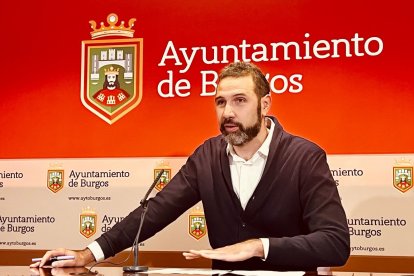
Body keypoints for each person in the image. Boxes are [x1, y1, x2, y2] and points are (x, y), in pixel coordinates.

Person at [31, 62, 350, 271]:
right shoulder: (207, 156)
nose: (228, 112)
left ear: (264, 104)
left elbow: (335, 244)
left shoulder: (305, 156)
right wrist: (88, 254)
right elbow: (154, 213)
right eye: (221, 102)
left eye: (240, 100)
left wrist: (258, 247)